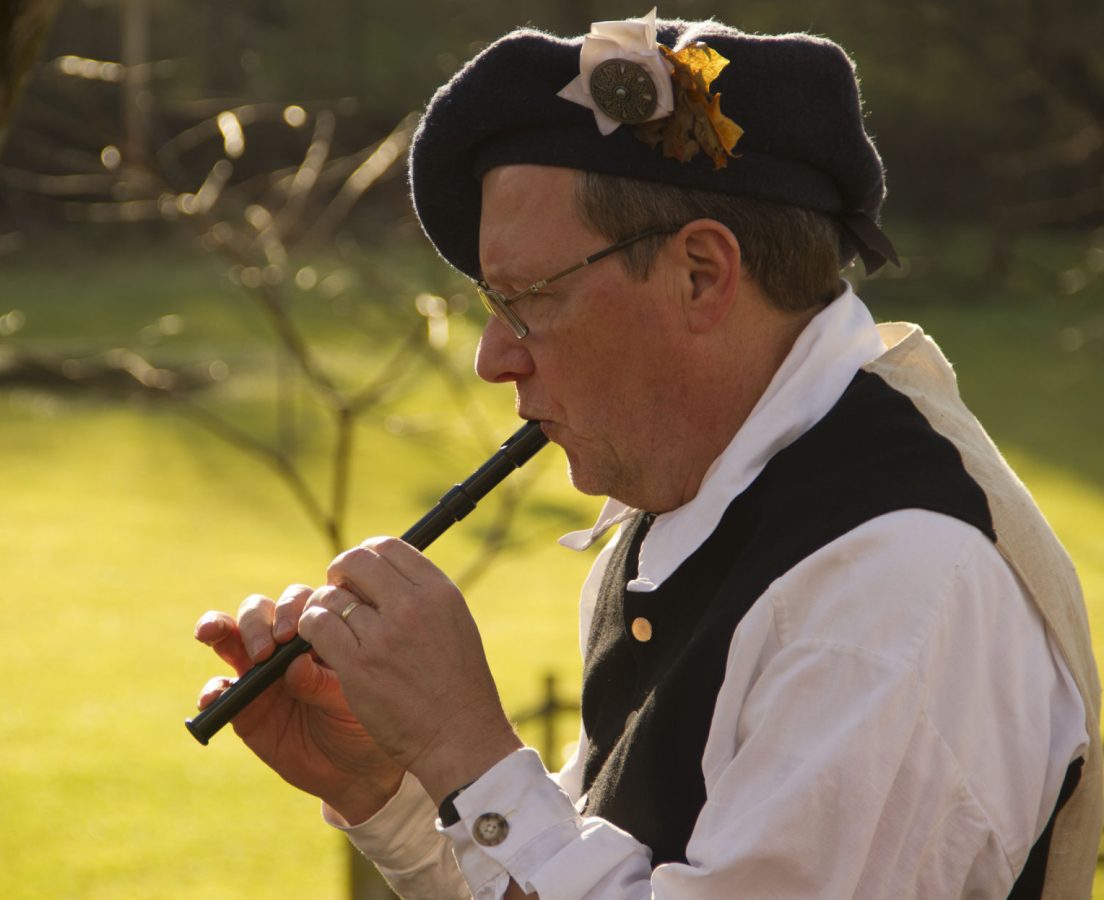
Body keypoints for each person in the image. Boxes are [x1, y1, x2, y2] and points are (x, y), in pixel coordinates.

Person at [193, 11, 1101, 898]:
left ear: (701, 275)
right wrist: (388, 790)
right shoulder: (689, 511)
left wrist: (461, 750)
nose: (493, 358)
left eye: (527, 299)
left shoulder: (890, 590)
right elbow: (586, 876)